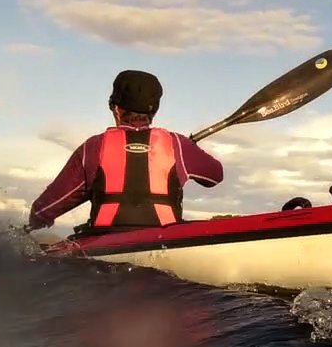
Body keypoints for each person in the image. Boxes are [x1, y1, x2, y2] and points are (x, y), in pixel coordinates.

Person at [28, 69, 224, 233]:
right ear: (154, 110)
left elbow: (45, 209)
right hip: (166, 241)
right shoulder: (178, 145)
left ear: (116, 109)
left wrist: (34, 222)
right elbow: (215, 176)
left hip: (104, 246)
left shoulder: (93, 147)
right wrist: (190, 148)